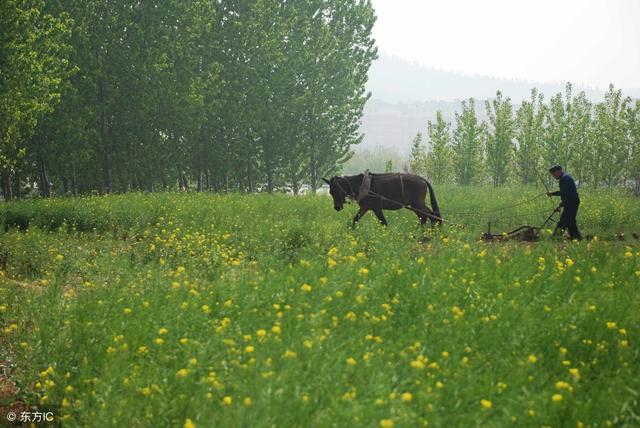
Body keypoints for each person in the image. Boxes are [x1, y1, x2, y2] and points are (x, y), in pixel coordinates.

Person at [547, 165, 582, 240]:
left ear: (558, 171)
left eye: (554, 174)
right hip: (571, 201)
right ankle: (576, 237)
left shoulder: (564, 179)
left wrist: (552, 193)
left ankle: (555, 238)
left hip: (572, 202)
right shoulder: (566, 177)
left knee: (564, 220)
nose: (553, 176)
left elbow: (564, 192)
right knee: (571, 221)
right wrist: (562, 204)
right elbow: (568, 194)